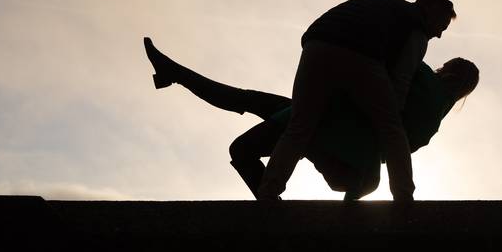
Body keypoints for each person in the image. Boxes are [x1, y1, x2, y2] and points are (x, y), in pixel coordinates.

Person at [143, 37, 478, 200]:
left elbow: (371, 56)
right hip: (339, 144)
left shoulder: (416, 72)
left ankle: (274, 214)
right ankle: (175, 73)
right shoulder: (432, 123)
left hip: (320, 122)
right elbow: (396, 149)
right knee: (246, 106)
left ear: (446, 69)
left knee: (242, 133)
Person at [256, 0, 457, 202]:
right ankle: (404, 195)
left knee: (299, 126)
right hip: (361, 55)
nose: (439, 34)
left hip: (316, 45)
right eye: (441, 26)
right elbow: (402, 77)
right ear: (431, 9)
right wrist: (392, 109)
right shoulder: (417, 27)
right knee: (392, 130)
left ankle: (269, 190)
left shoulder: (385, 2)